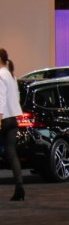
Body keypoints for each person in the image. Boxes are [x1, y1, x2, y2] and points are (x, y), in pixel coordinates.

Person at [0, 48, 25, 201]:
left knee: (10, 153)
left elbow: (0, 98)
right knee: (12, 153)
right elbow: (16, 97)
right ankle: (19, 188)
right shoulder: (10, 75)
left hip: (3, 119)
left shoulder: (1, 75)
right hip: (12, 119)